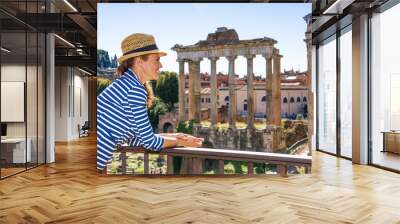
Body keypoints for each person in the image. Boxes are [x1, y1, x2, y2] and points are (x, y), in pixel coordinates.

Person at [97, 33, 203, 171]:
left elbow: (137, 139)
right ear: (139, 60)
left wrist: (175, 135)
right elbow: (150, 143)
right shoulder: (134, 90)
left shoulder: (126, 84)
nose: (161, 64)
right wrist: (181, 142)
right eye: (156, 59)